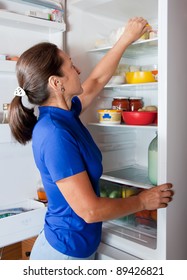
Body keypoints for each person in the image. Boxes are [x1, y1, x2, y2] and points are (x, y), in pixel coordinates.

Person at [8, 17, 173, 260]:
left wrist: (126, 38)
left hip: (78, 248)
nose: (78, 70)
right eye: (71, 66)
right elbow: (90, 210)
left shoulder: (65, 115)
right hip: (63, 255)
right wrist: (142, 201)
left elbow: (96, 81)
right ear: (56, 83)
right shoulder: (54, 133)